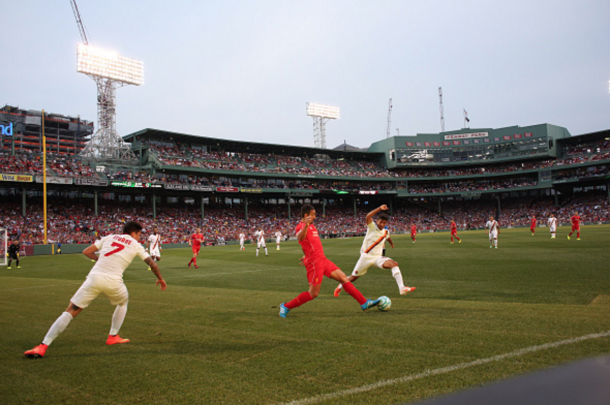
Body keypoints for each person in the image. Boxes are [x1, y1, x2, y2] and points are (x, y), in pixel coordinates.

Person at [24, 221, 166, 359]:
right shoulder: (135, 244)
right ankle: (113, 336)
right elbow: (152, 264)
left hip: (94, 278)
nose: (140, 237)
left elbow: (87, 251)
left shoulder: (109, 237)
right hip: (114, 281)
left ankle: (42, 346)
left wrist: (101, 260)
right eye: (139, 234)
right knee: (123, 302)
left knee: (71, 310)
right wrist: (160, 278)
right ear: (134, 233)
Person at [279, 205, 381, 318]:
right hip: (314, 262)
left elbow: (307, 244)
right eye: (313, 215)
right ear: (306, 215)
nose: (315, 217)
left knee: (343, 278)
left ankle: (364, 302)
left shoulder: (312, 226)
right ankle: (286, 306)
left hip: (322, 259)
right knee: (313, 293)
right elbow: (300, 237)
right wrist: (306, 230)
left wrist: (305, 255)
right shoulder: (301, 226)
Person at [333, 205, 415, 297]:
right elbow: (368, 216)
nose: (382, 224)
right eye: (380, 222)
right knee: (353, 278)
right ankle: (340, 285)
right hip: (366, 257)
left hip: (377, 258)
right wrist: (379, 209)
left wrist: (391, 243)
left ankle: (402, 288)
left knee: (394, 264)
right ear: (377, 221)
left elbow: (387, 238)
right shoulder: (371, 227)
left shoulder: (386, 232)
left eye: (384, 223)